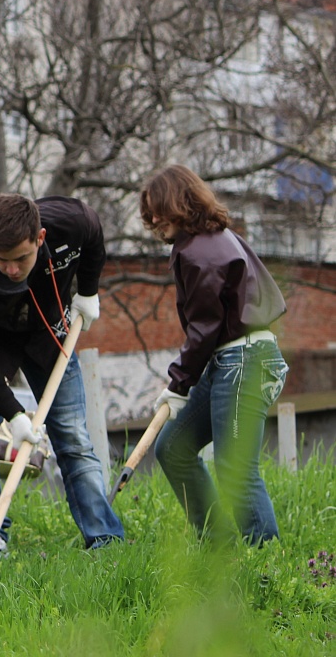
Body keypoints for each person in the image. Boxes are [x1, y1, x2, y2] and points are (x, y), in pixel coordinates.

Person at [0, 193, 124, 555]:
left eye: (21, 259)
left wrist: (88, 291)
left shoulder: (70, 222)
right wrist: (13, 414)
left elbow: (93, 234)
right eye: (3, 261)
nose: (12, 269)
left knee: (73, 435)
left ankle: (105, 539)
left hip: (48, 333)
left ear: (40, 238)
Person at [141, 164, 288, 545]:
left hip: (245, 361)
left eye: (159, 209)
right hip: (228, 361)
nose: (153, 219)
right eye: (149, 213)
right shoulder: (212, 239)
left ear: (181, 202)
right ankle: (220, 546)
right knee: (173, 448)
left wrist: (178, 383)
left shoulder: (200, 252)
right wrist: (183, 381)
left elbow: (204, 327)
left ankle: (267, 565)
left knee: (236, 470)